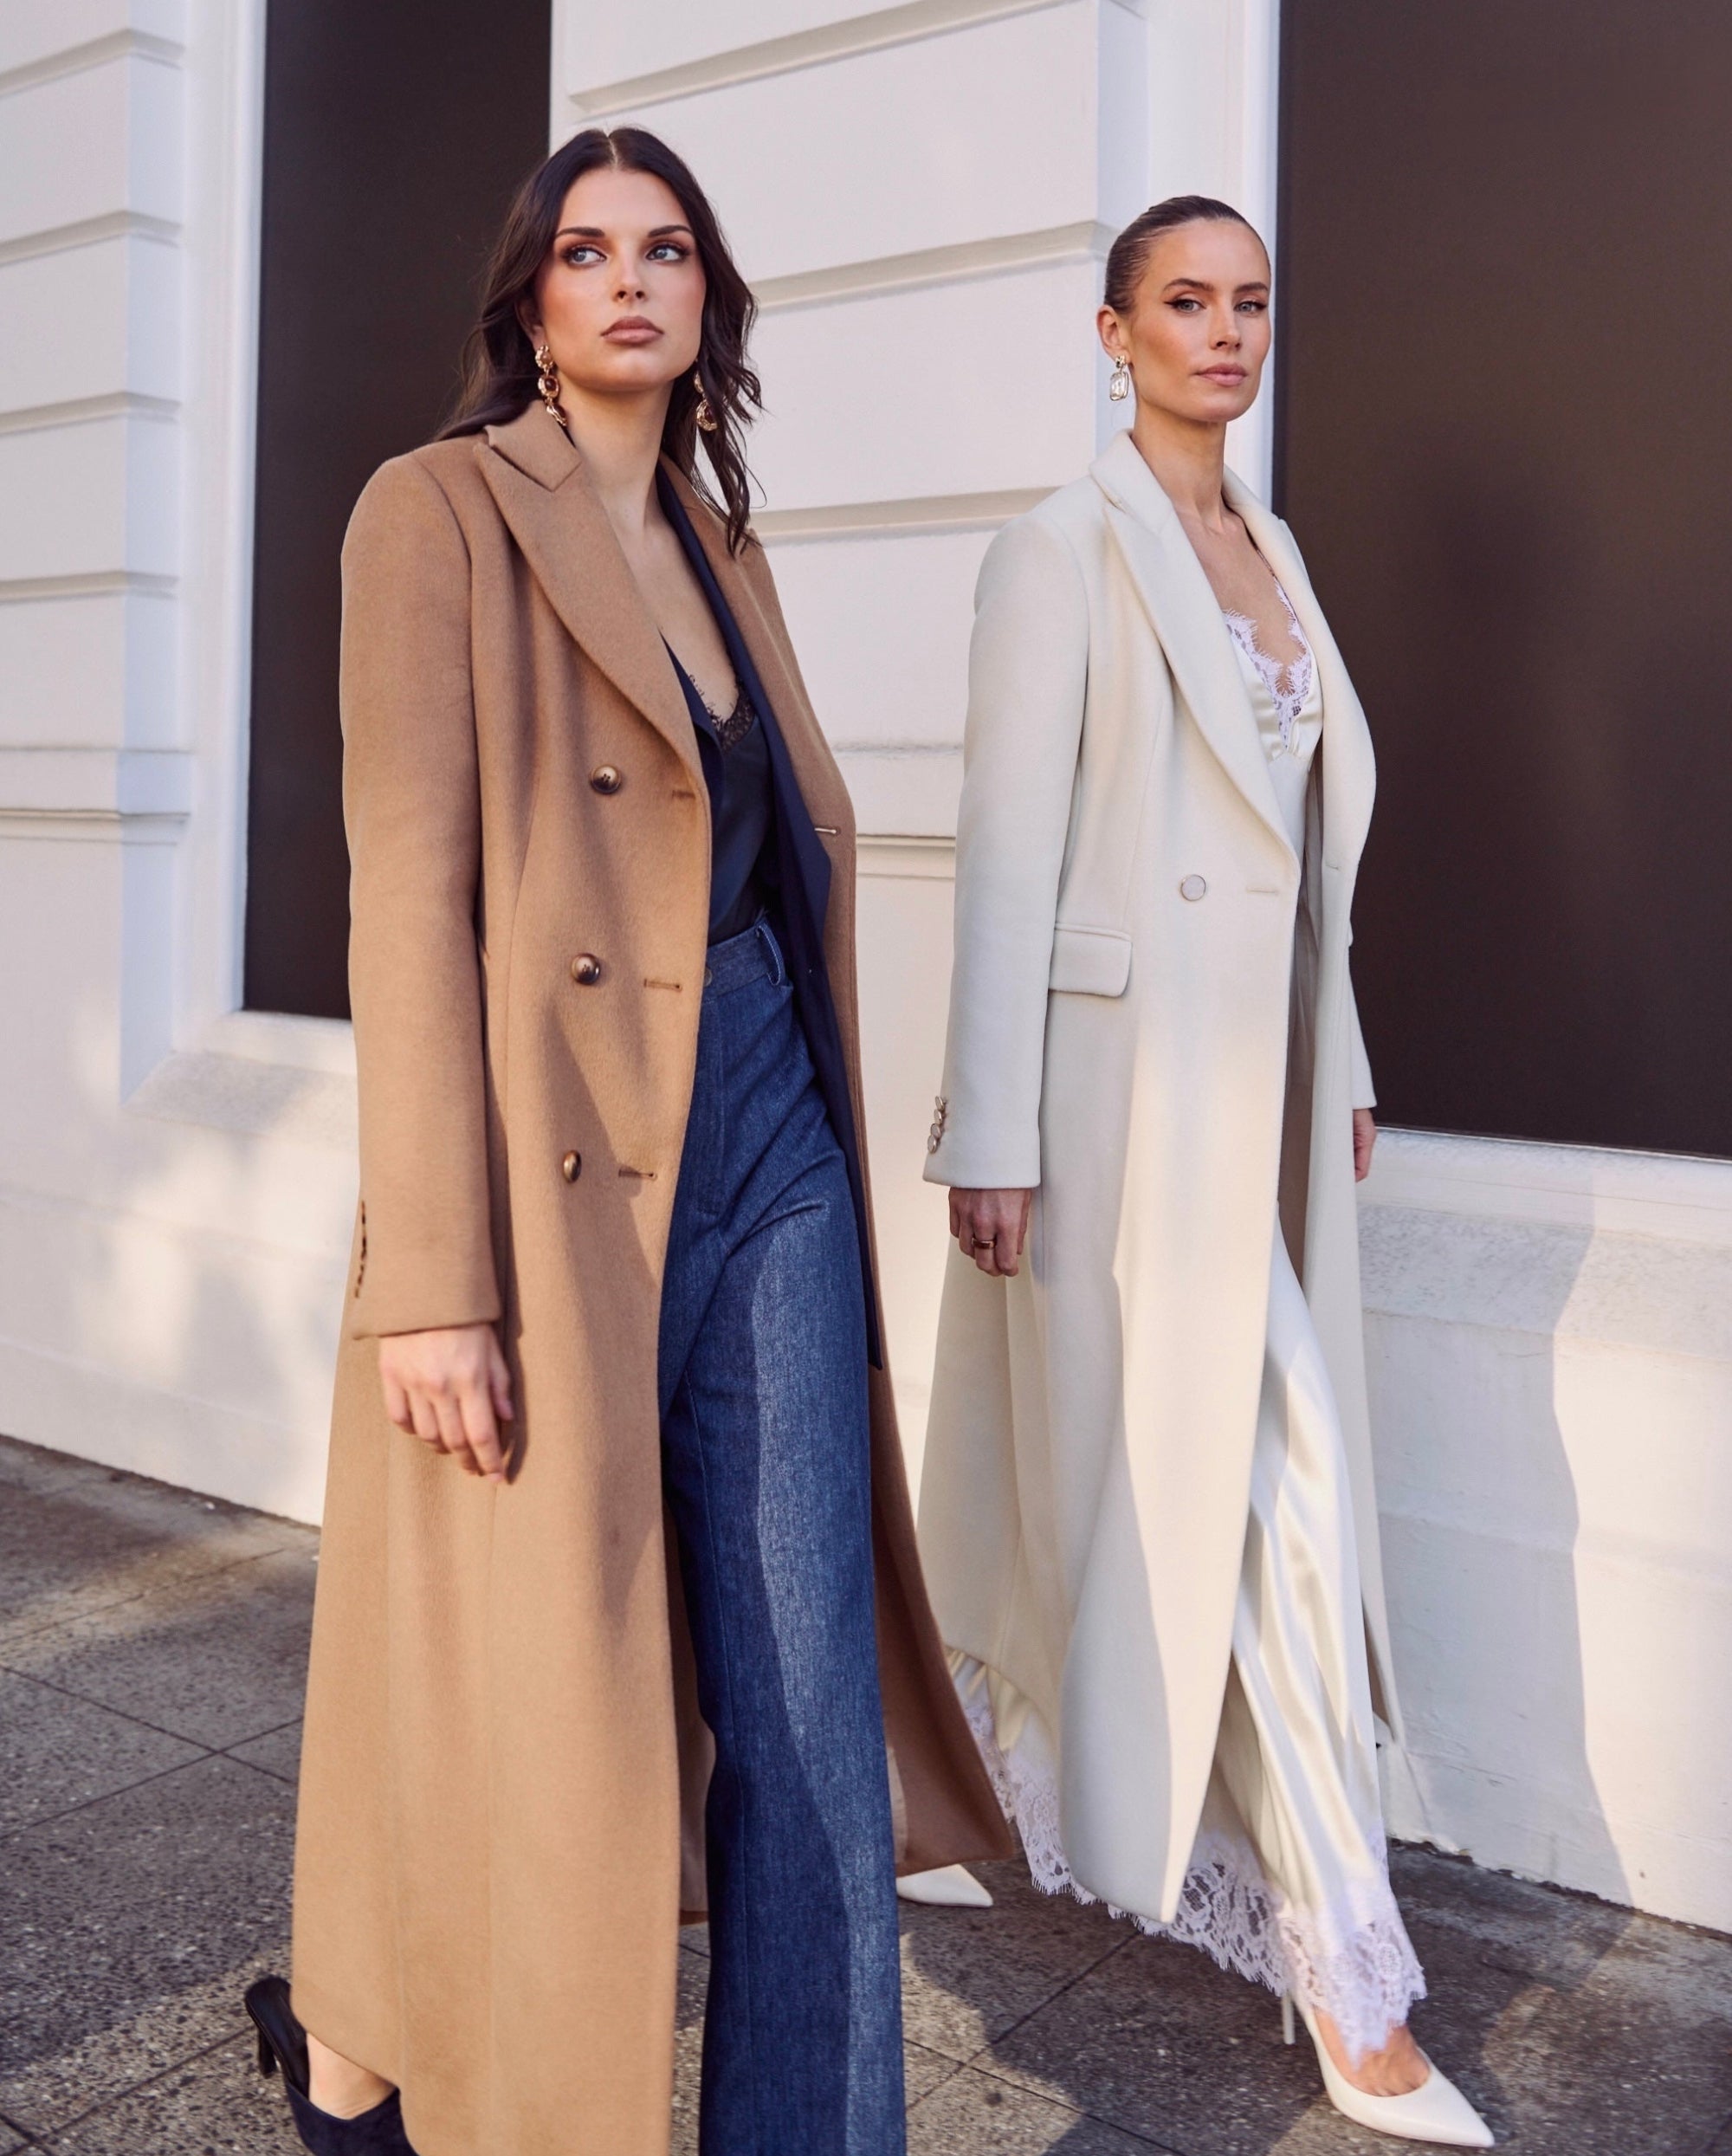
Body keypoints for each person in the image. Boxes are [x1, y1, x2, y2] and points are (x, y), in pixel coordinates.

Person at [243, 125, 1008, 2156]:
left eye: (668, 252)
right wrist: (434, 1278)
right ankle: (379, 2068)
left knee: (809, 1713)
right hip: (542, 1163)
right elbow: (405, 897)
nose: (630, 284)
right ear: (531, 296)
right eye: (588, 253)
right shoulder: (433, 517)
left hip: (768, 1144)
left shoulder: (717, 539)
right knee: (536, 1710)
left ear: (706, 303)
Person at [917, 196, 1493, 2148]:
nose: (1224, 333)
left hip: (1256, 1112)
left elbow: (1306, 866)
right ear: (1113, 331)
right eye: (1186, 302)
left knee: (1233, 1507)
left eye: (1250, 304)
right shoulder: (1059, 552)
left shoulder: (1277, 549)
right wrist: (986, 1126)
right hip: (1110, 1101)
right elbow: (1004, 858)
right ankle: (1352, 1983)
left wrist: (1336, 1064)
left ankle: (975, 1787)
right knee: (1263, 1499)